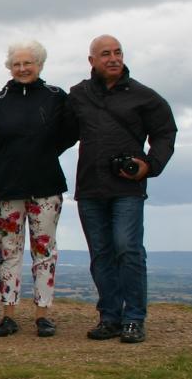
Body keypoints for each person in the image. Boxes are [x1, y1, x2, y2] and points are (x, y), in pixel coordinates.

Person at [68, 34, 176, 344]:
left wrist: (150, 164)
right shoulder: (78, 95)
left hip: (127, 187)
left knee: (127, 248)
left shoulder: (144, 96)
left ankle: (134, 319)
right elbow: (58, 133)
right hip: (89, 186)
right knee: (101, 254)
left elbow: (165, 132)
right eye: (105, 54)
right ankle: (110, 318)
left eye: (117, 52)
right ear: (92, 61)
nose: (113, 58)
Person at [0, 40, 75, 338]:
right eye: (16, 64)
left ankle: (43, 315)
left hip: (46, 186)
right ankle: (8, 315)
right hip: (6, 189)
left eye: (28, 63)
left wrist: (44, 152)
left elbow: (69, 133)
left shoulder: (56, 97)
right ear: (9, 67)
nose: (22, 68)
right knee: (9, 253)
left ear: (40, 65)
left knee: (44, 251)